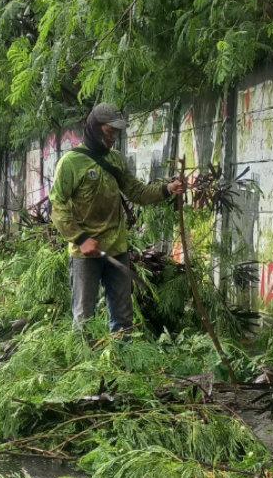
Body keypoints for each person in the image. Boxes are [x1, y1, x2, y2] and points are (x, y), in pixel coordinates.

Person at [50, 103, 185, 331]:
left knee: (123, 316)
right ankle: (86, 362)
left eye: (116, 132)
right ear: (94, 127)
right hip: (85, 253)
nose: (113, 137)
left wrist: (167, 189)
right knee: (84, 317)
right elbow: (58, 205)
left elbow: (137, 192)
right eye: (109, 131)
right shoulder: (71, 162)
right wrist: (81, 239)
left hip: (117, 249)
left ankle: (122, 359)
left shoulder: (116, 160)